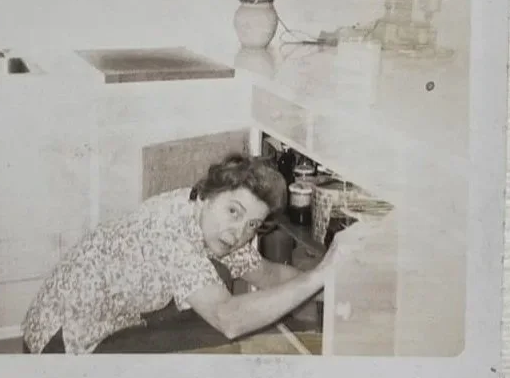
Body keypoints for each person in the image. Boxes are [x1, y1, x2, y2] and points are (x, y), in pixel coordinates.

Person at [21, 152, 346, 354]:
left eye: (252, 224)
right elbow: (228, 319)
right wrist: (320, 275)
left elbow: (268, 274)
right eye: (234, 212)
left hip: (102, 320)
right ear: (206, 197)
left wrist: (336, 284)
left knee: (212, 305)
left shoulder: (206, 214)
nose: (239, 233)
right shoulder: (173, 232)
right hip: (63, 343)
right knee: (216, 335)